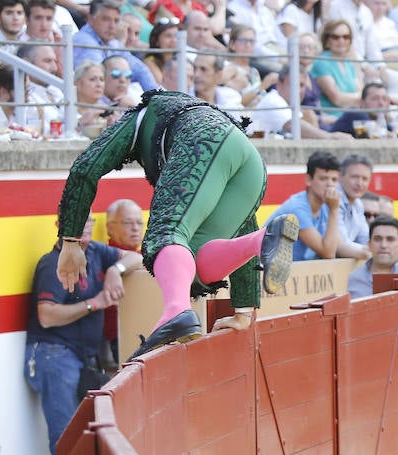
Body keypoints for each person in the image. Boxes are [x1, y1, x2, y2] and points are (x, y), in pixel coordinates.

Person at [55, 90, 300, 362]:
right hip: (250, 164)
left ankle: (176, 311)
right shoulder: (182, 113)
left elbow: (85, 168)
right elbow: (243, 224)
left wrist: (70, 240)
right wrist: (244, 309)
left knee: (164, 234)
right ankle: (265, 238)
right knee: (191, 261)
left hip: (202, 144)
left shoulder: (137, 118)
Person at [29, 214, 143, 455]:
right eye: (81, 220)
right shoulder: (53, 264)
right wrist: (94, 304)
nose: (87, 226)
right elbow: (46, 316)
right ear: (61, 227)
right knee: (67, 438)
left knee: (89, 433)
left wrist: (116, 268)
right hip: (54, 355)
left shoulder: (94, 251)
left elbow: (137, 257)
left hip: (81, 357)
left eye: (89, 219)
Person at [271, 150, 342, 261]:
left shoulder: (326, 205)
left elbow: (339, 245)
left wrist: (365, 253)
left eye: (334, 180)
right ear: (308, 180)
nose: (330, 185)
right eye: (323, 178)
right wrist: (334, 210)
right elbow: (328, 253)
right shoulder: (297, 207)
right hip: (264, 271)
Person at [101, 198, 144, 362]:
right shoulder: (103, 257)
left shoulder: (145, 255)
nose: (135, 228)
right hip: (124, 338)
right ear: (110, 228)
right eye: (127, 223)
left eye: (139, 223)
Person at [346, 216, 398, 297]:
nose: (383, 245)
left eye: (390, 239)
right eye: (377, 239)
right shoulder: (355, 278)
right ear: (369, 244)